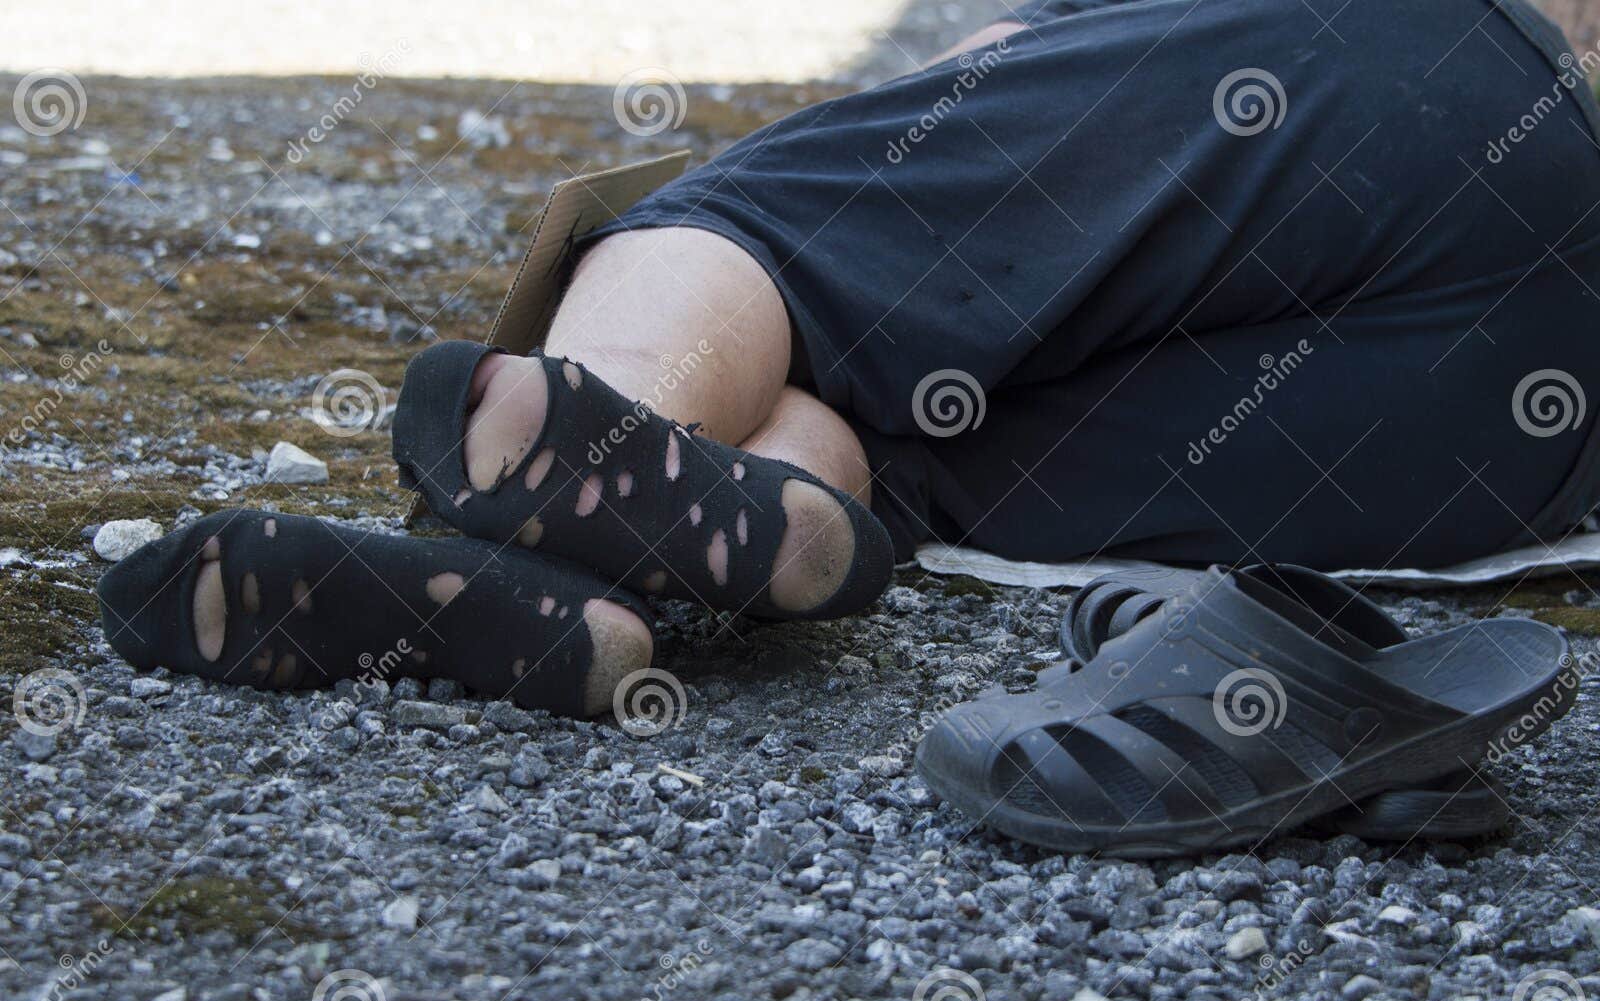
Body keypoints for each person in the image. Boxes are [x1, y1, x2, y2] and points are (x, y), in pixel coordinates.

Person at [100, 0, 1600, 718]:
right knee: (887, 440)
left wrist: (1003, 64)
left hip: (1473, 60)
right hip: (1520, 459)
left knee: (788, 231)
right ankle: (614, 596)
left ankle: (559, 465)